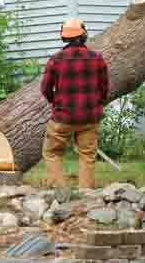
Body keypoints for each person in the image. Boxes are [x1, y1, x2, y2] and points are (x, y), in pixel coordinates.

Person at [40, 18, 109, 197]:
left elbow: (45, 89)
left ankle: (62, 193)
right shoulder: (97, 59)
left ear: (63, 37)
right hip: (89, 118)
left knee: (52, 153)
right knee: (87, 156)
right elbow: (104, 89)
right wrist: (95, 105)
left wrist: (56, 103)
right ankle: (86, 195)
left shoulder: (55, 60)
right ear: (84, 35)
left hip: (63, 118)